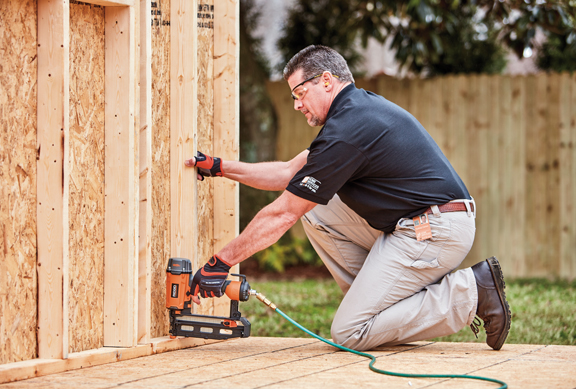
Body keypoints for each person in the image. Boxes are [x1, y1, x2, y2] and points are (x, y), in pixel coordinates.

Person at [185, 45, 511, 351]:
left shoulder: (348, 131)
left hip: (435, 230)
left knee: (349, 332)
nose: (297, 104)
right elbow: (287, 174)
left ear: (326, 80)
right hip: (420, 224)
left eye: (300, 93)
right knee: (316, 212)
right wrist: (219, 167)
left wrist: (220, 263)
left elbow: (283, 213)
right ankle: (377, 306)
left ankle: (470, 292)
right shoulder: (353, 115)